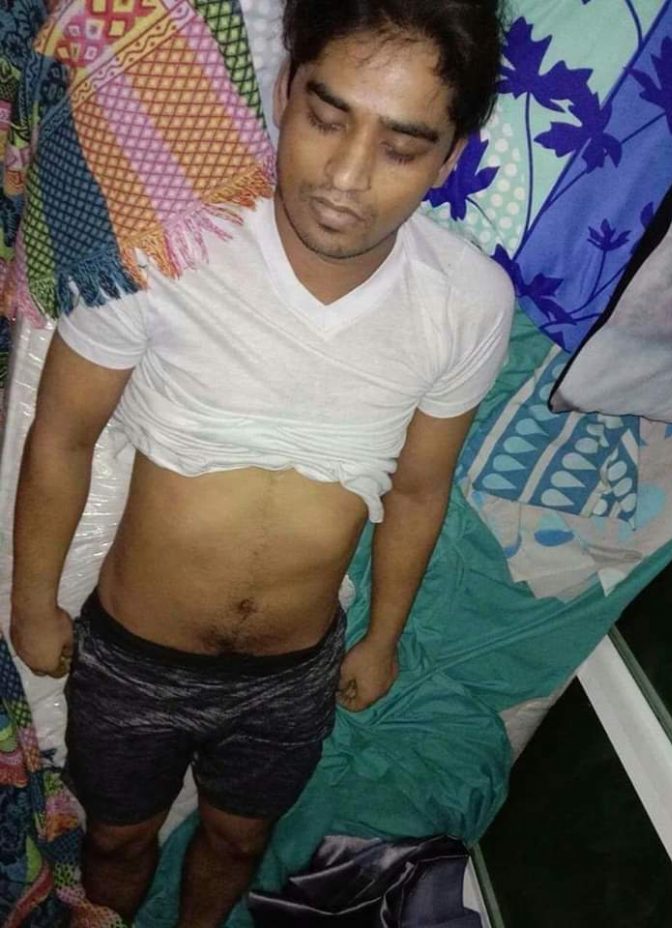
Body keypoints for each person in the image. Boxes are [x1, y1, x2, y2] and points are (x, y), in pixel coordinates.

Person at [10, 0, 513, 924]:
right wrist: (32, 601)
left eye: (403, 147)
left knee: (238, 841)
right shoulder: (163, 248)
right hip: (130, 660)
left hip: (292, 679)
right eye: (327, 117)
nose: (347, 177)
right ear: (284, 91)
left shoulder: (466, 302)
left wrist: (383, 637)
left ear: (450, 158)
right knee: (115, 840)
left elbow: (418, 488)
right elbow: (63, 435)